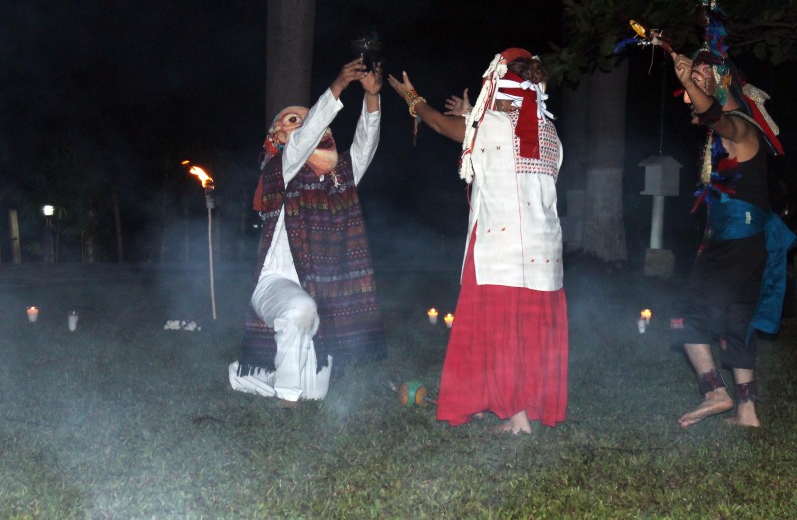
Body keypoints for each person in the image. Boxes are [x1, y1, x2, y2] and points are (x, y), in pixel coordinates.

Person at [387, 48, 567, 435]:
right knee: (529, 331)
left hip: (501, 248)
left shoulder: (490, 126)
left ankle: (516, 416)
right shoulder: (549, 130)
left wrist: (411, 98)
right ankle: (515, 404)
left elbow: (437, 123)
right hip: (545, 252)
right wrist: (472, 115)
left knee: (500, 329)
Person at [667, 0, 796, 429]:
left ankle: (714, 391)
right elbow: (708, 114)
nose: (692, 91)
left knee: (684, 318)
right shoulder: (731, 128)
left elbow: (714, 117)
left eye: (702, 82)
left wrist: (693, 83)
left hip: (736, 243)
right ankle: (747, 410)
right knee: (737, 322)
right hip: (745, 244)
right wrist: (693, 73)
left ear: (721, 85)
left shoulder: (740, 126)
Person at [228, 58, 387, 406]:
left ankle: (248, 376)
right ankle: (286, 401)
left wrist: (372, 98)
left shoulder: (339, 179)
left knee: (316, 393)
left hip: (320, 290)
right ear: (277, 137)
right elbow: (305, 139)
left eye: (311, 120)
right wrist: (339, 86)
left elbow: (365, 147)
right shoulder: (280, 169)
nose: (309, 127)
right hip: (274, 284)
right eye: (293, 121)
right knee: (299, 308)